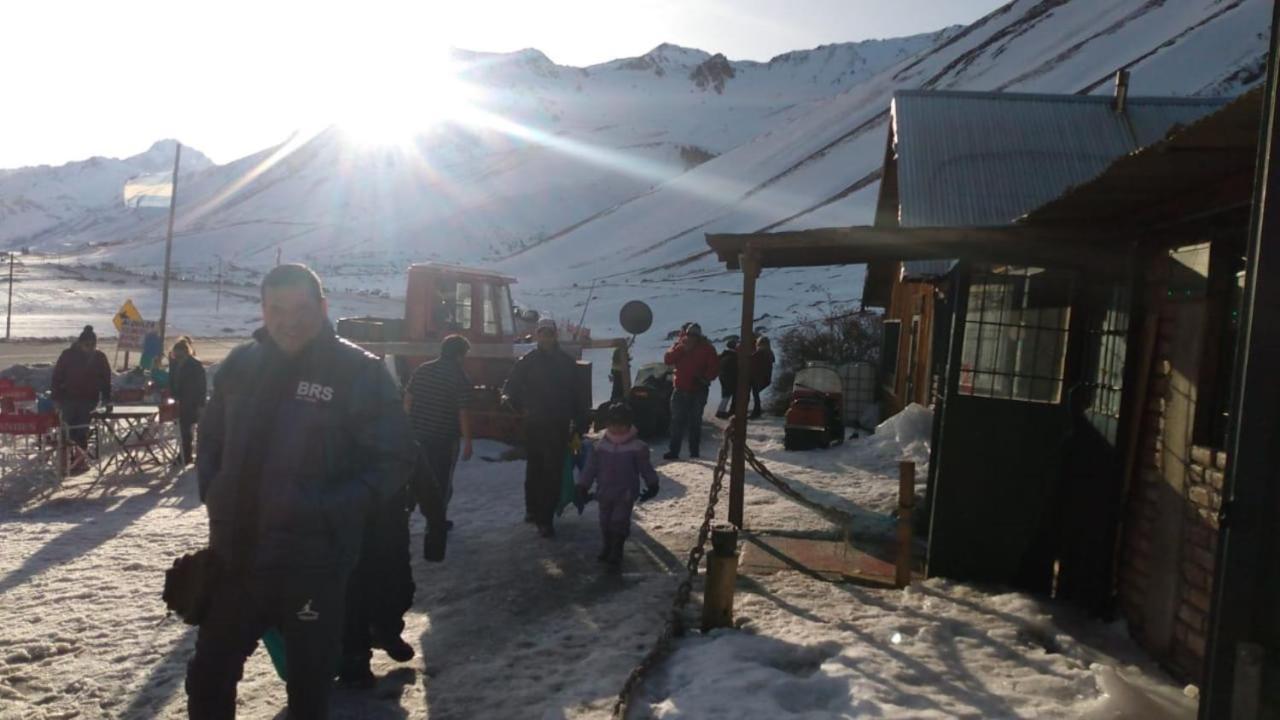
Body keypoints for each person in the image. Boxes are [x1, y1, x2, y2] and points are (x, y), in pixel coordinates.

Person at [187, 264, 415, 719]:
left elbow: (393, 460)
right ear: (263, 310)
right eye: (277, 309)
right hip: (235, 558)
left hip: (313, 565)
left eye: (301, 309)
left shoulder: (358, 373)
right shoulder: (240, 364)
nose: (289, 321)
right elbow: (210, 437)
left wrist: (329, 511)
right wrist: (214, 490)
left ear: (323, 308)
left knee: (309, 691)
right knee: (208, 677)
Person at [502, 318, 587, 538]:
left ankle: (545, 518)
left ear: (555, 335)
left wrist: (580, 421)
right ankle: (532, 510)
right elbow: (510, 387)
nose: (546, 337)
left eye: (549, 333)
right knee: (535, 470)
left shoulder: (567, 363)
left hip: (558, 425)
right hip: (534, 425)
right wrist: (516, 404)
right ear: (537, 335)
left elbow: (579, 395)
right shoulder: (527, 361)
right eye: (542, 333)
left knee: (552, 472)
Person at [575, 402, 659, 573]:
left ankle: (617, 548)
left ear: (629, 425)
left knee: (618, 521)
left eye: (621, 425)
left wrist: (652, 483)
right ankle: (607, 546)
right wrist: (583, 485)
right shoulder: (600, 446)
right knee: (605, 521)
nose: (617, 429)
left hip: (625, 493)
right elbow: (591, 468)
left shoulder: (637, 447)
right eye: (613, 425)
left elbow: (645, 468)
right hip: (604, 492)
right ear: (607, 425)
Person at [404, 334, 474, 529]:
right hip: (443, 440)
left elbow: (408, 400)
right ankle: (436, 523)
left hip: (417, 436)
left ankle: (401, 516)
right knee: (440, 481)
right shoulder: (460, 377)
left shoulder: (423, 370)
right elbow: (463, 413)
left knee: (412, 478)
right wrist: (468, 441)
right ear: (460, 355)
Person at [51, 325, 112, 474]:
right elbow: (57, 377)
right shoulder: (67, 355)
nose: (90, 348)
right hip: (68, 399)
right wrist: (56, 397)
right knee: (66, 431)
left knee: (82, 431)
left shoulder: (99, 357)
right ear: (80, 343)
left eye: (93, 345)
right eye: (87, 345)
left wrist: (107, 398)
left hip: (89, 400)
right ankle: (64, 462)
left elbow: (106, 379)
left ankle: (79, 461)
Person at [662, 323, 718, 460]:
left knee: (695, 422)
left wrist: (704, 379)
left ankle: (694, 452)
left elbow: (714, 368)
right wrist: (681, 349)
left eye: (694, 335)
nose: (691, 337)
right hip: (680, 389)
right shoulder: (680, 345)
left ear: (699, 336)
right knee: (676, 421)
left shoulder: (707, 348)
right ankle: (674, 451)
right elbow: (668, 359)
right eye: (689, 334)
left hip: (698, 390)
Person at [168, 337, 207, 466]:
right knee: (183, 431)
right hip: (180, 401)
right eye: (176, 355)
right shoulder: (174, 364)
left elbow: (202, 385)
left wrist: (201, 403)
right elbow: (172, 381)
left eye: (180, 355)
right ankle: (185, 455)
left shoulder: (195, 364)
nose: (178, 358)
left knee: (196, 431)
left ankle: (198, 456)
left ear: (186, 352)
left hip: (193, 401)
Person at [751, 336, 776, 419]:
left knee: (755, 393)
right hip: (766, 378)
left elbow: (752, 360)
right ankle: (757, 411)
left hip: (759, 377)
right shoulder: (769, 352)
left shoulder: (760, 353)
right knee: (755, 393)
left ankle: (756, 412)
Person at [715, 337, 739, 419]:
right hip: (730, 378)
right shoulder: (734, 357)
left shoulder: (723, 355)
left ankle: (721, 410)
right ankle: (720, 411)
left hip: (722, 376)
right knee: (727, 395)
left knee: (725, 395)